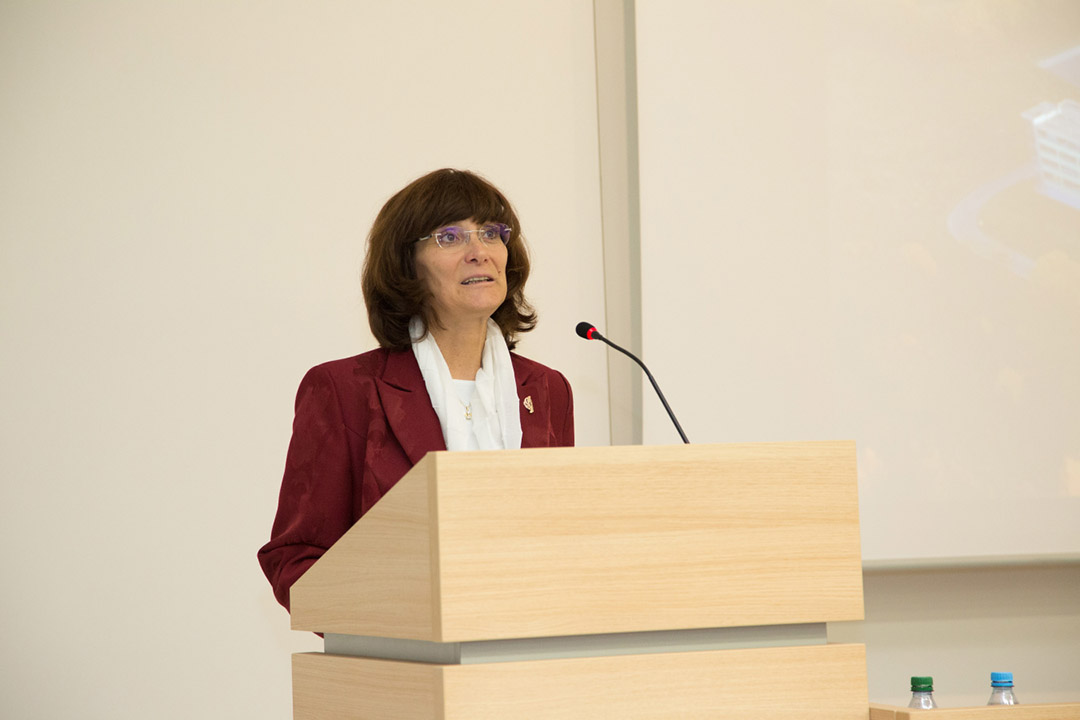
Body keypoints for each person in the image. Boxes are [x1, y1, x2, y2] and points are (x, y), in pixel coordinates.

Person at [257, 168, 575, 612]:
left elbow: (561, 543)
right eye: (450, 237)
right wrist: (396, 620)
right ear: (407, 264)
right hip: (404, 647)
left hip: (525, 641)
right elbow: (297, 561)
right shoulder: (346, 391)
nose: (479, 252)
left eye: (490, 233)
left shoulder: (546, 390)